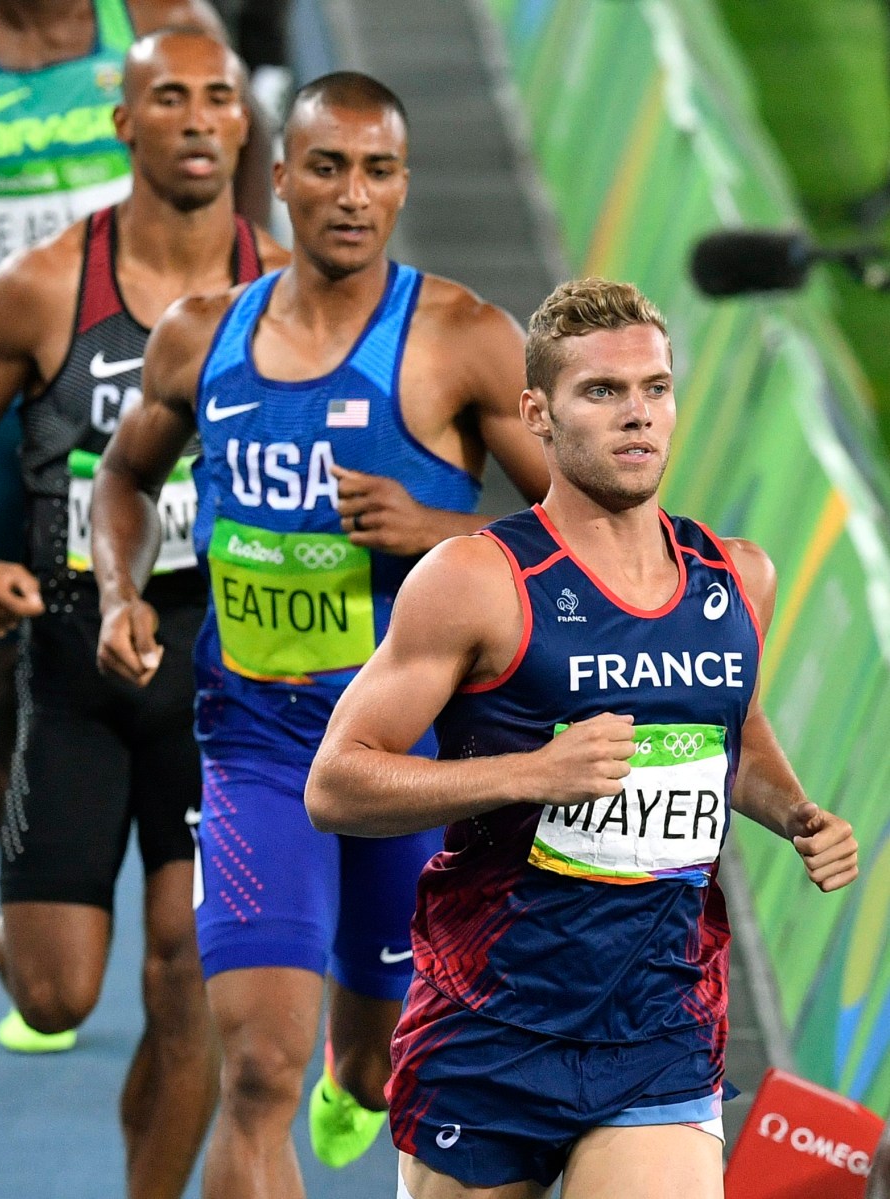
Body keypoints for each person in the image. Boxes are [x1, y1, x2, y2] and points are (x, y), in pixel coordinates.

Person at [89, 70, 550, 1197]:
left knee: (373, 1063)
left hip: (408, 759)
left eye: (379, 170)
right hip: (251, 748)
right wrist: (119, 588)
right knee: (258, 1072)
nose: (353, 194)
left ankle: (362, 1077)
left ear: (403, 186)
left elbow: (584, 534)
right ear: (282, 179)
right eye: (329, 167)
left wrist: (443, 525)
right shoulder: (202, 336)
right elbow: (123, 477)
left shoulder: (461, 339)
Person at [304, 277, 861, 1199]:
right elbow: (336, 784)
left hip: (658, 1024)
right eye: (602, 392)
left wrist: (794, 811)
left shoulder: (736, 577)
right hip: (489, 1022)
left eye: (654, 387)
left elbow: (735, 727)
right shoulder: (478, 579)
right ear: (538, 413)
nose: (636, 415)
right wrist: (534, 772)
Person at [0, 28, 286, 1194]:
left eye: (217, 98)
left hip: (221, 676)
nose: (194, 118)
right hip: (73, 661)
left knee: (185, 978)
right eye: (165, 97)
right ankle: (19, 943)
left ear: (241, 126)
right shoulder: (46, 287)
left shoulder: (290, 293)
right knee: (57, 991)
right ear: (125, 126)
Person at [0, 0, 270, 849]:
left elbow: (247, 121)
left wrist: (249, 277)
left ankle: (202, 885)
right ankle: (29, 879)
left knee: (212, 638)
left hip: (172, 370)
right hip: (6, 394)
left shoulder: (158, 16)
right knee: (2, 670)